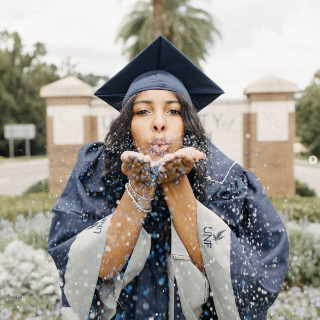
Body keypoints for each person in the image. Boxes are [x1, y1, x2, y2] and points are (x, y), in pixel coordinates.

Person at [47, 36, 289, 320]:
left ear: (188, 122)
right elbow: (89, 269)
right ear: (127, 123)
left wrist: (177, 186)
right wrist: (138, 188)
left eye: (173, 110)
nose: (159, 122)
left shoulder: (224, 179)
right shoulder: (99, 173)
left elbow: (239, 285)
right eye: (143, 110)